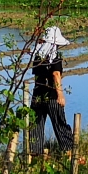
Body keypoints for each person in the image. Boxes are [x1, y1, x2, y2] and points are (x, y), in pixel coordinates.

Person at [29, 26, 75, 154]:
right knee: (60, 124)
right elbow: (56, 75)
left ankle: (35, 154)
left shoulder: (38, 57)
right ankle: (69, 152)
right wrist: (60, 94)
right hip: (52, 96)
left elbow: (36, 77)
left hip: (37, 95)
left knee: (35, 126)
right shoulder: (55, 58)